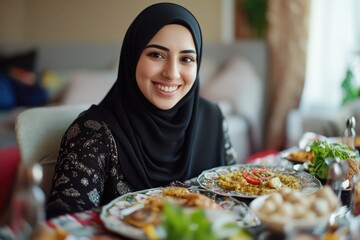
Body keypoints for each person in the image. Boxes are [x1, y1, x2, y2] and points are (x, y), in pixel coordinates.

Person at [45, 2, 238, 218]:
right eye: (157, 55)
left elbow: (235, 198)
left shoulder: (212, 119)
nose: (172, 73)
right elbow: (64, 224)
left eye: (186, 59)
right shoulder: (92, 132)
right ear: (132, 56)